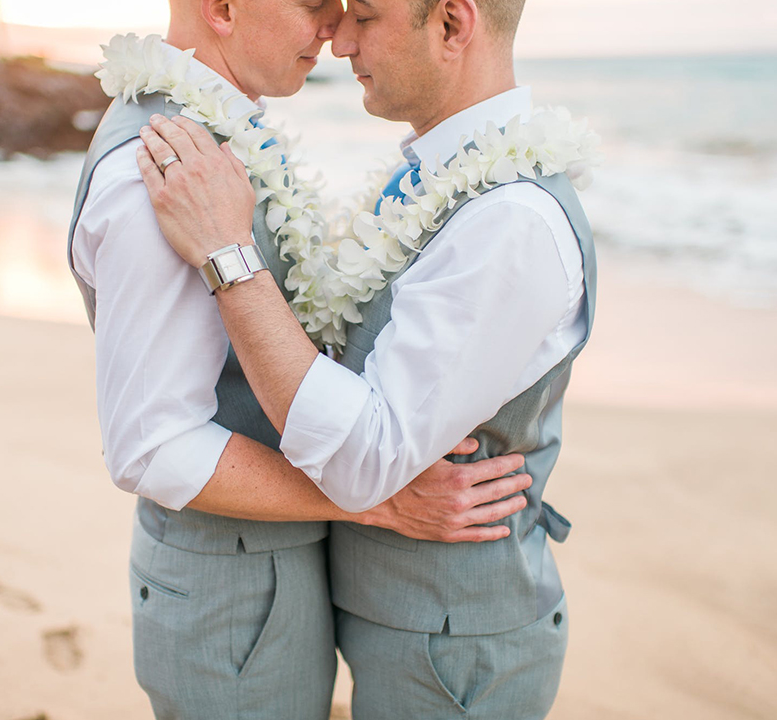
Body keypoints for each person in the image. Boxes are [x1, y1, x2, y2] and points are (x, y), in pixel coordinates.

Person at [66, 0, 537, 717]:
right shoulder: (157, 172)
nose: (334, 30)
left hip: (263, 591)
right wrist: (377, 502)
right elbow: (151, 448)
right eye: (315, 4)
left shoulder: (217, 141)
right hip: (228, 604)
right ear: (223, 8)